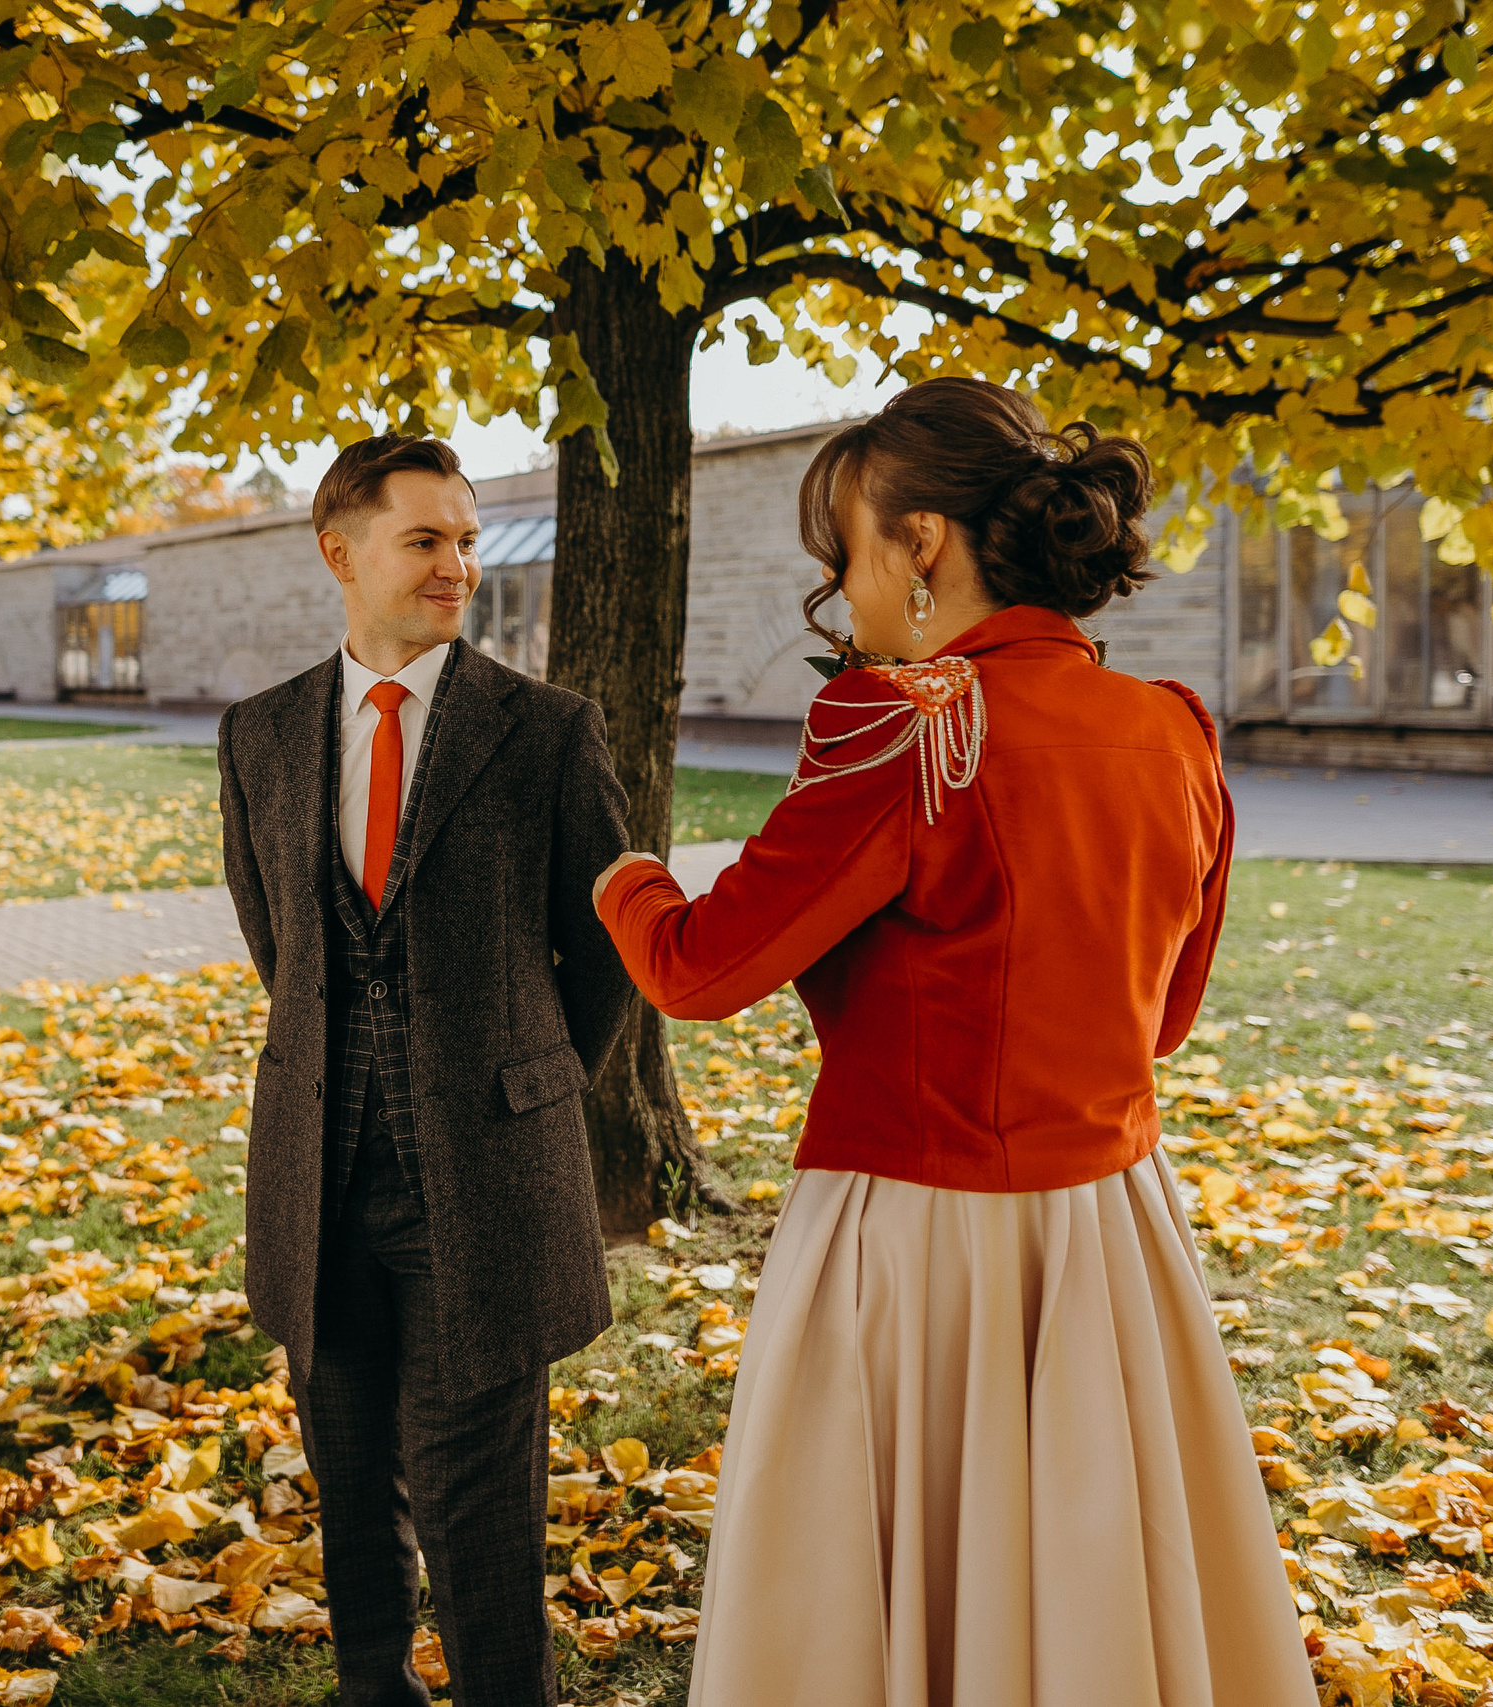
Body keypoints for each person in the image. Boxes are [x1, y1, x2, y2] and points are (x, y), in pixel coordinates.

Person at [592, 378, 1317, 1707]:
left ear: (922, 543)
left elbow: (698, 970)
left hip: (919, 1229)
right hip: (1112, 1227)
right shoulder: (1174, 731)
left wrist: (621, 876)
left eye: (847, 552)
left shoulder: (908, 721)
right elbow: (1160, 1017)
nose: (842, 591)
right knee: (1087, 1574)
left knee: (873, 1590)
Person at [217, 433, 637, 1706]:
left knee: (475, 1498)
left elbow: (605, 953)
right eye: (427, 540)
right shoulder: (262, 735)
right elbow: (276, 939)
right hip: (318, 1170)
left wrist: (521, 1081)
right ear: (341, 553)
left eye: (465, 539)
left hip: (490, 1172)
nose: (458, 563)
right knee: (347, 1476)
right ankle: (371, 1690)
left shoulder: (549, 733)